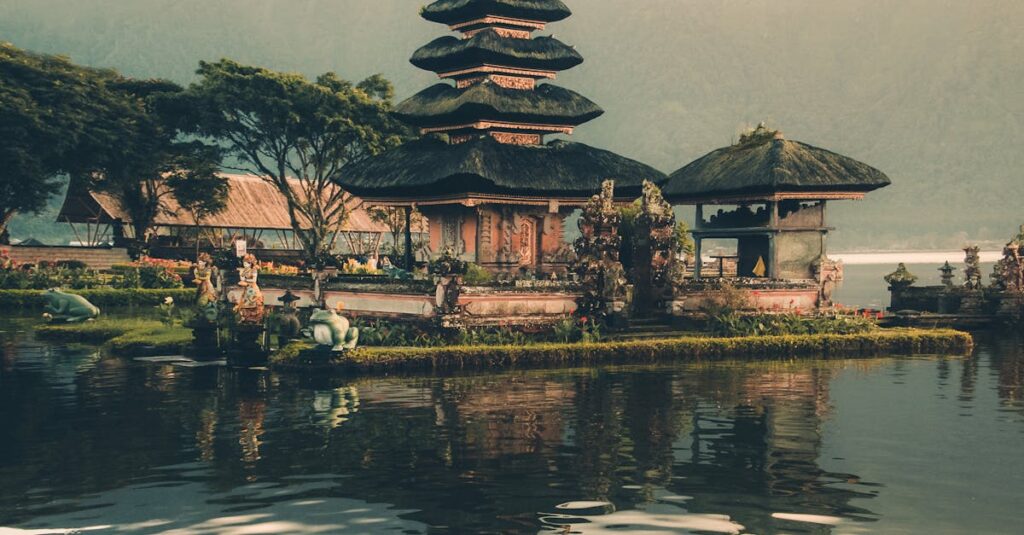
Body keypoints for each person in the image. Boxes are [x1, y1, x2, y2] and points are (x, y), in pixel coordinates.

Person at [234, 254, 265, 324]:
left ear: (251, 263)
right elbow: (242, 279)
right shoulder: (243, 270)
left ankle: (254, 319)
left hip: (253, 288)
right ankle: (246, 319)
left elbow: (254, 280)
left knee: (255, 301)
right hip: (247, 288)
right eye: (244, 262)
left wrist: (246, 282)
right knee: (245, 303)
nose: (245, 264)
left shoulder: (254, 270)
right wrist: (243, 278)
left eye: (247, 263)